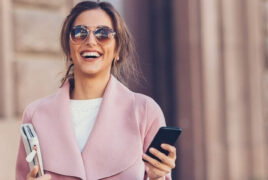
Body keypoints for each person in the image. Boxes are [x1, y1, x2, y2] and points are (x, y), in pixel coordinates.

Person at [15, 1, 177, 180]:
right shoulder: (36, 114)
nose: (90, 41)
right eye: (80, 33)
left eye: (103, 34)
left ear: (118, 50)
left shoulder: (145, 112)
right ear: (68, 48)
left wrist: (157, 177)